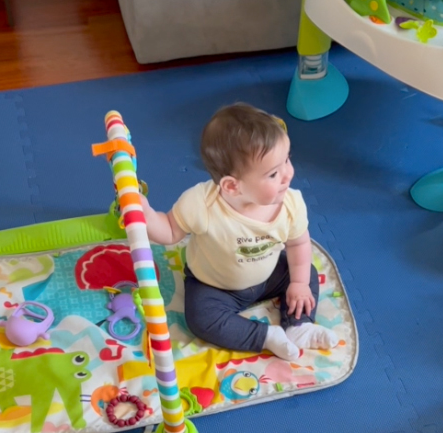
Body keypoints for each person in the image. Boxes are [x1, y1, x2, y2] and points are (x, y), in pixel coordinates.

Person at [140, 103, 338, 361]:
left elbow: (298, 244)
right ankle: (266, 336)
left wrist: (299, 284)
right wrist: (143, 212)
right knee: (200, 319)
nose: (288, 174)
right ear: (232, 186)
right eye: (274, 173)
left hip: (267, 277)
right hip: (214, 286)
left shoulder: (290, 203)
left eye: (287, 159)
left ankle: (298, 326)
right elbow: (168, 231)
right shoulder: (203, 204)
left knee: (305, 272)